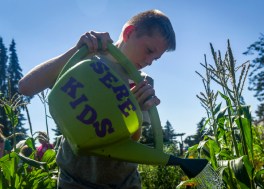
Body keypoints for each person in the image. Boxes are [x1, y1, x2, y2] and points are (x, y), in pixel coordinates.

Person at [18, 9, 176, 189]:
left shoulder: (143, 83)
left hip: (124, 182)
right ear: (129, 33)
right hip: (76, 180)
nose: (149, 61)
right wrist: (78, 50)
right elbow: (26, 87)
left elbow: (131, 142)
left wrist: (133, 111)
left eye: (155, 59)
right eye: (149, 51)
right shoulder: (87, 61)